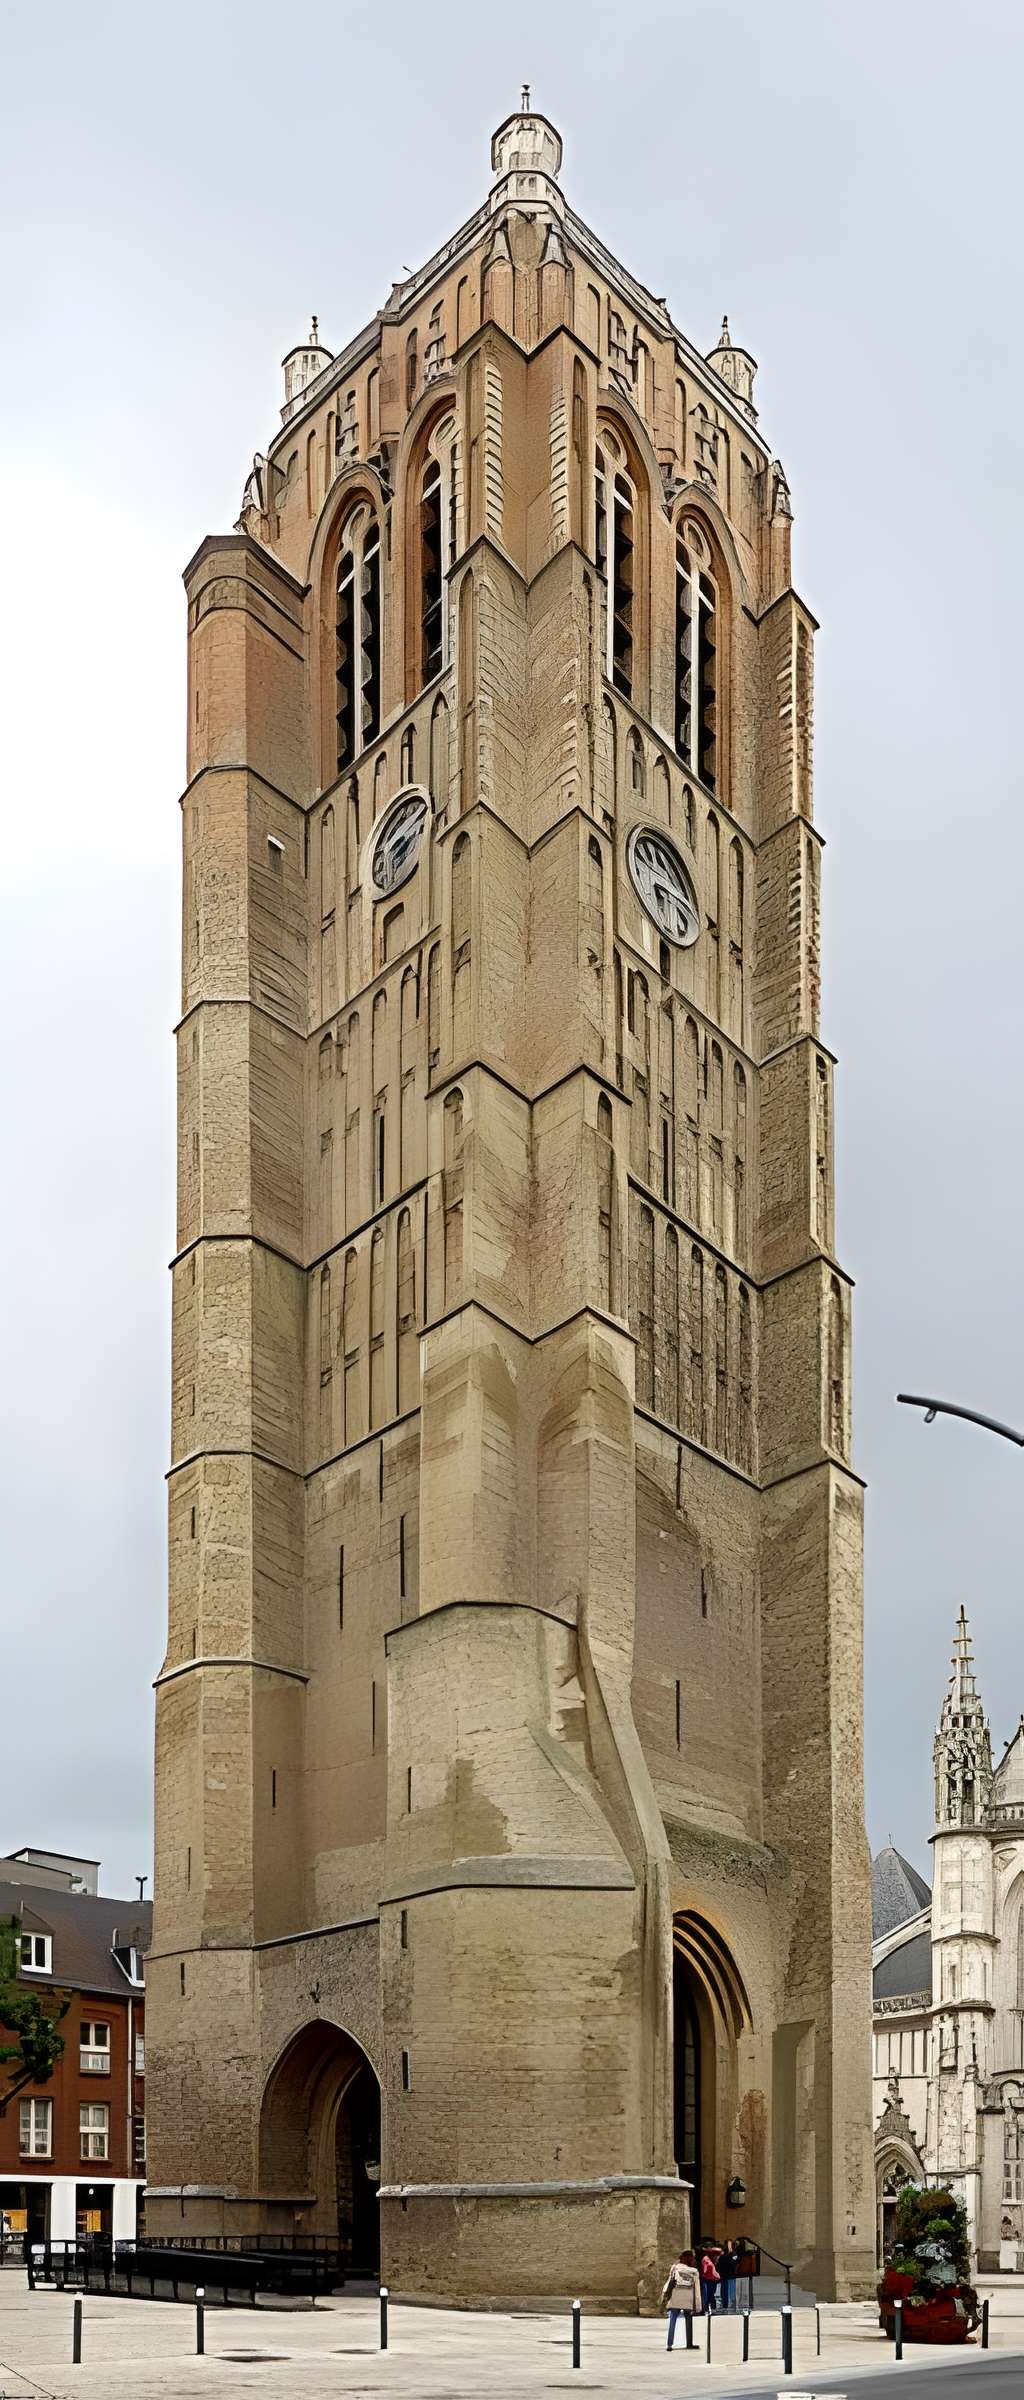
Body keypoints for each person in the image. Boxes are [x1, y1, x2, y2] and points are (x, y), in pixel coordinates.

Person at [661, 2248, 702, 2351]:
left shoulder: (675, 2268)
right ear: (689, 2259)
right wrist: (697, 2305)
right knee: (689, 2321)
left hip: (675, 2298)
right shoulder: (694, 2272)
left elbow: (669, 2282)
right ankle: (689, 2343)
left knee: (672, 2321)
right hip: (688, 2299)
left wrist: (665, 2296)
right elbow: (696, 2289)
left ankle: (669, 2344)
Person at [720, 2238, 741, 2311]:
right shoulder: (722, 2254)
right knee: (724, 2293)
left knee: (731, 2293)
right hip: (723, 2276)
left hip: (731, 2276)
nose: (728, 2246)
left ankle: (732, 2305)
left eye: (729, 2245)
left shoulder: (734, 2254)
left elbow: (735, 2262)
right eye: (727, 2244)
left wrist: (730, 2252)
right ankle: (724, 2305)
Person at [700, 2244, 721, 2312]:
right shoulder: (706, 2259)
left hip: (712, 2280)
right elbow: (705, 2270)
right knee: (708, 2295)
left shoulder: (712, 2258)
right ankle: (706, 2309)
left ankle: (712, 2309)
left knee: (711, 2295)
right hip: (707, 2279)